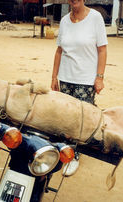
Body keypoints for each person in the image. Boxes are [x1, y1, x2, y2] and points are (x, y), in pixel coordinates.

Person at [51, 0, 107, 176]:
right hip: (66, 78)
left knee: (81, 120)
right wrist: (54, 77)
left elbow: (102, 50)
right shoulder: (65, 20)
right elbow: (59, 50)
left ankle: (74, 155)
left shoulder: (95, 18)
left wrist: (99, 77)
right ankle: (63, 149)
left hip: (85, 79)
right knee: (65, 117)